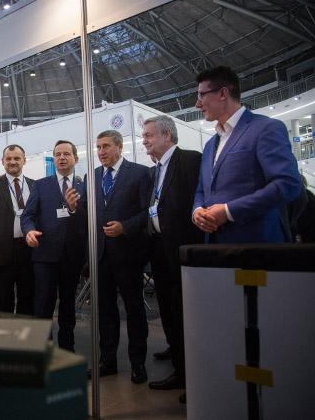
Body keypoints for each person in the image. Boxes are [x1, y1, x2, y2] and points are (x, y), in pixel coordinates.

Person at [192, 66, 301, 242]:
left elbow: (287, 184)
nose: (197, 104)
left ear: (223, 93)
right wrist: (197, 210)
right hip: (214, 244)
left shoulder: (265, 128)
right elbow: (201, 190)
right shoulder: (210, 145)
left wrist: (229, 211)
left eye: (201, 95)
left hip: (256, 242)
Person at [141, 115, 203, 392]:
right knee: (167, 306)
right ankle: (176, 352)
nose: (144, 140)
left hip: (183, 249)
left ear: (167, 135)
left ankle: (189, 374)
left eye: (149, 135)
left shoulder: (190, 161)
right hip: (159, 249)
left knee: (184, 310)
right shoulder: (154, 171)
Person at [83, 130, 150, 384]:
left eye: (106, 146)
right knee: (105, 311)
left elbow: (147, 211)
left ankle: (138, 363)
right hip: (100, 255)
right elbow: (88, 212)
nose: (101, 152)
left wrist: (125, 227)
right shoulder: (92, 176)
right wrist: (74, 206)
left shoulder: (140, 173)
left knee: (134, 309)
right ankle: (107, 361)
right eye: (98, 147)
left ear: (119, 147)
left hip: (129, 253)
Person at [21, 140, 86, 351]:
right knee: (43, 305)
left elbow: (88, 219)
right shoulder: (41, 185)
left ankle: (67, 348)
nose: (62, 158)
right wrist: (29, 230)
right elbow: (27, 215)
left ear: (76, 158)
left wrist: (74, 209)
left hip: (72, 256)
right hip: (45, 255)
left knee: (68, 305)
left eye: (66, 154)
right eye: (58, 154)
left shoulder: (84, 186)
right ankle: (44, 349)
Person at [0, 145, 35, 315]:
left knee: (28, 295)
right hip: (3, 250)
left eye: (17, 158)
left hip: (29, 249)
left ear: (24, 160)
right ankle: (3, 331)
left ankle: (25, 329)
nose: (12, 162)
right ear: (2, 161)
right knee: (2, 298)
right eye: (9, 158)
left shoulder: (35, 185)